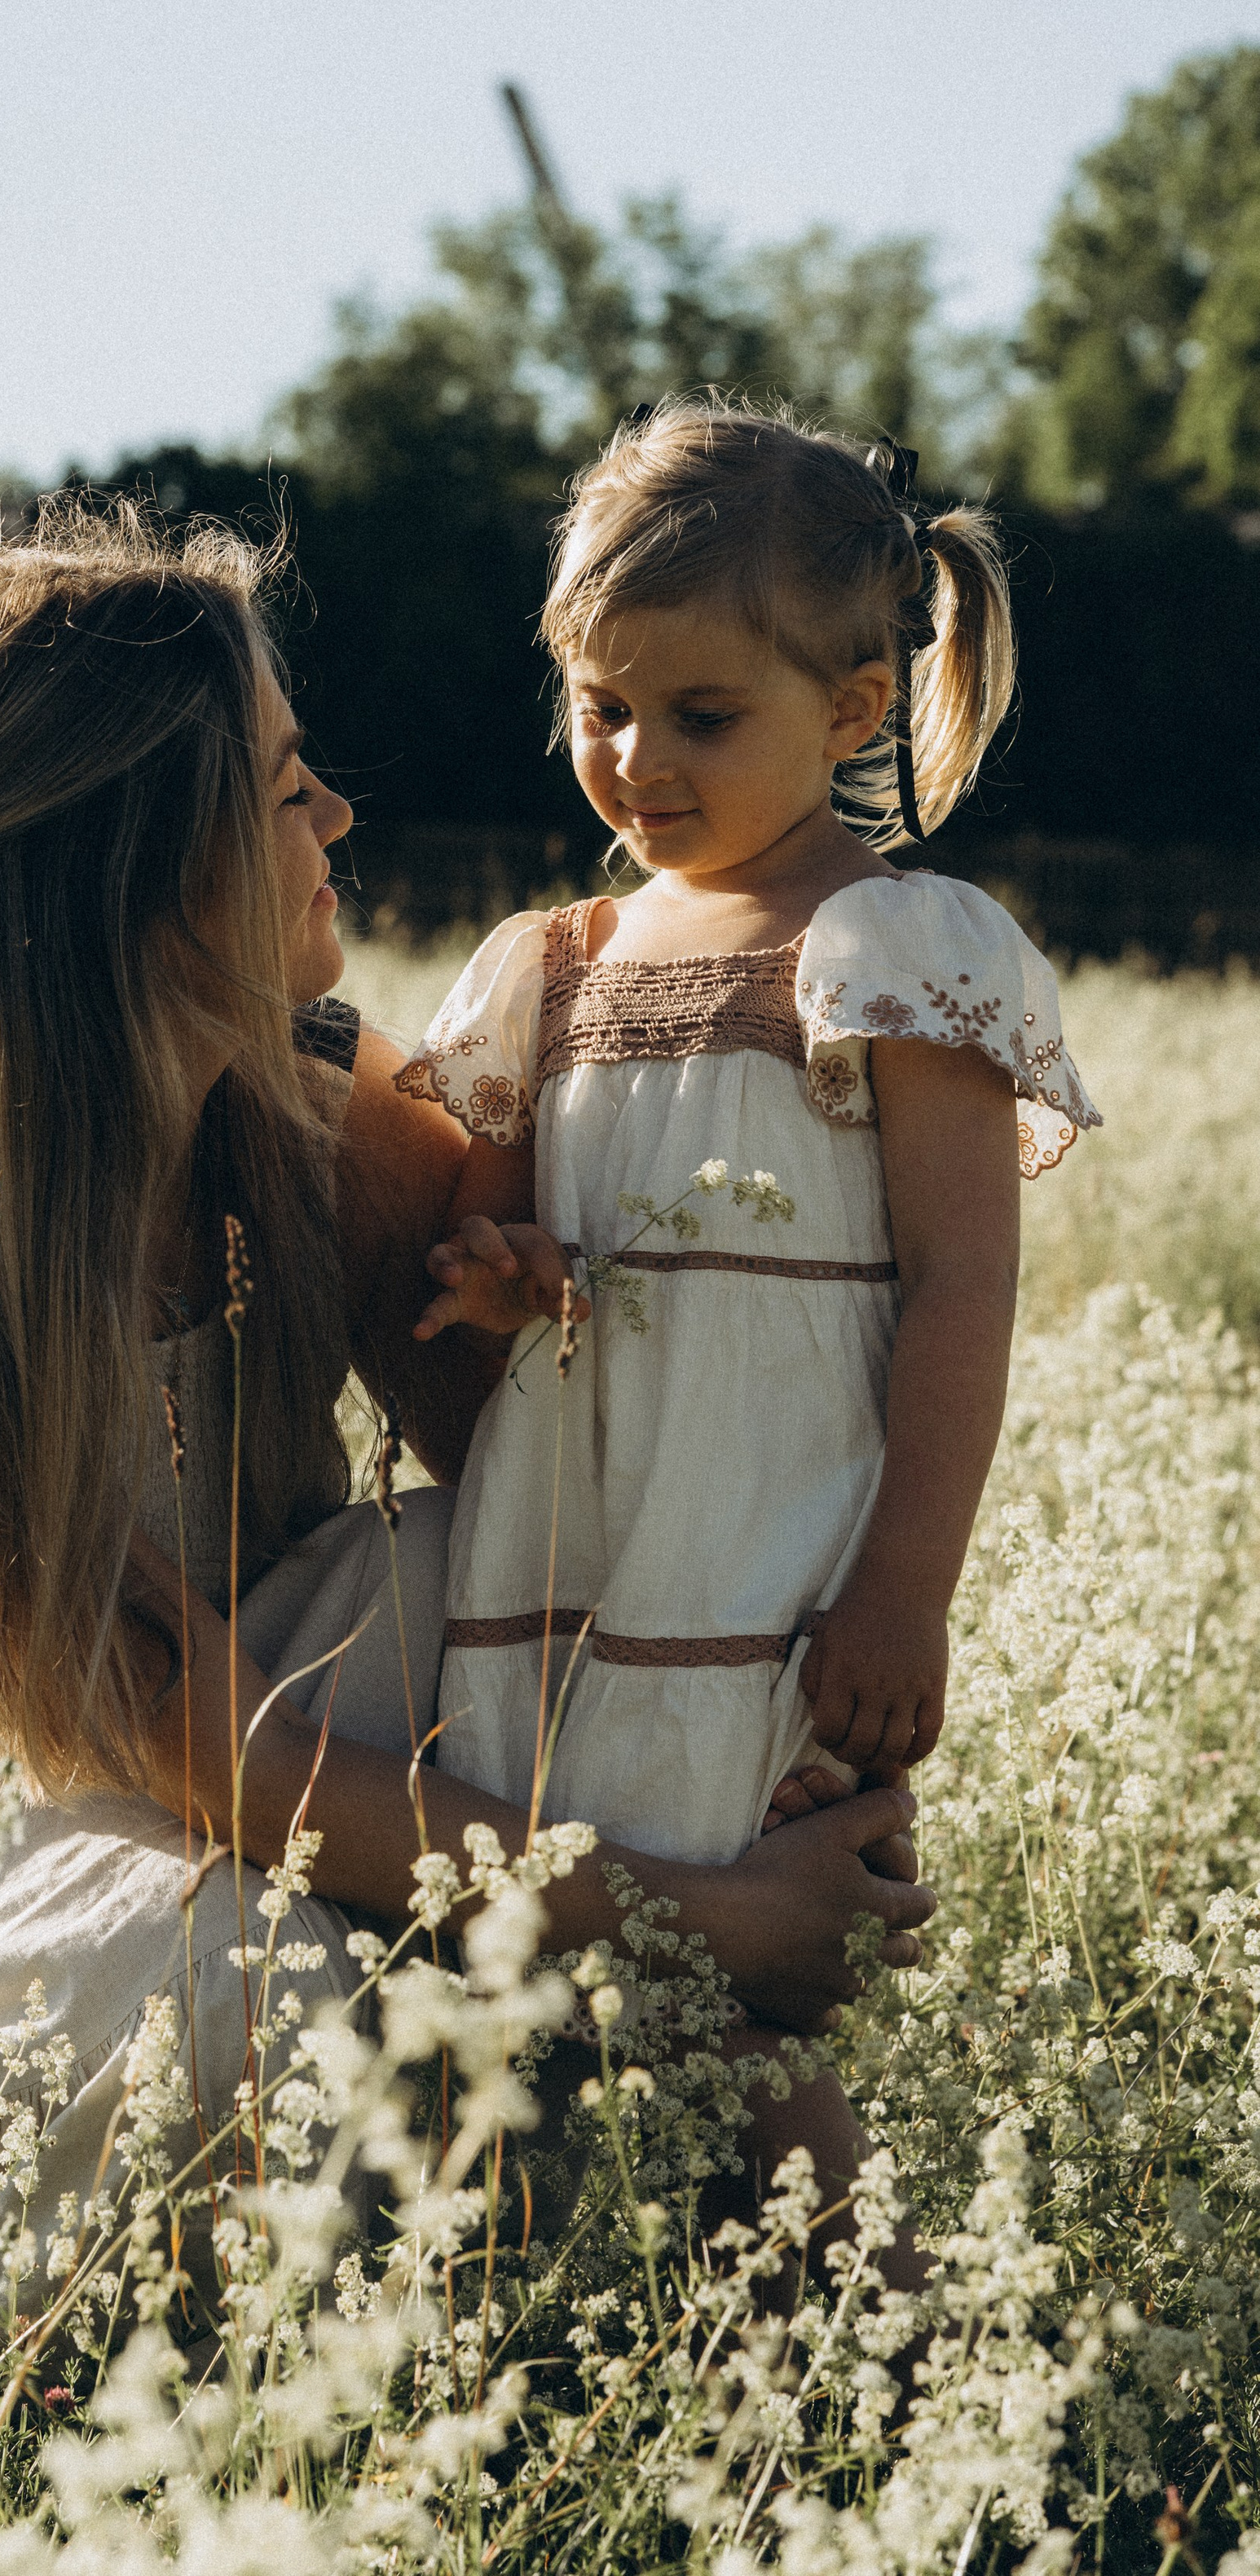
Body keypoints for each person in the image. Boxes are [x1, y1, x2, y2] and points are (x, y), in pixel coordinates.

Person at [0, 499, 932, 2356]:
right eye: (287, 790)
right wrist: (705, 1920)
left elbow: (569, 1527)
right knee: (246, 1984)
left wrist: (757, 1736)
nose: (339, 822)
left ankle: (828, 2273)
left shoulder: (307, 1112)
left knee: (544, 1595)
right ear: (144, 862)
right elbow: (201, 1753)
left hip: (231, 1721)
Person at [403, 399, 1097, 2277]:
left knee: (738, 1996)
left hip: (771, 1577)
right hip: (557, 1554)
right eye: (598, 705)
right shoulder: (548, 966)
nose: (632, 760)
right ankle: (532, 2333)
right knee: (533, 1957)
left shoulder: (892, 946)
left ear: (853, 707)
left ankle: (870, 2336)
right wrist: (498, 1269)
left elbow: (959, 1291)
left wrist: (900, 1596)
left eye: (698, 715)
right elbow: (482, 1241)